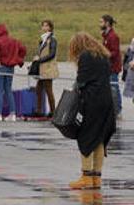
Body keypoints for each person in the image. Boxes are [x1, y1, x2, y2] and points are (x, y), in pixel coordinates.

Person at [68, 33, 116, 189]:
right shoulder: (103, 55)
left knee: (86, 137)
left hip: (91, 101)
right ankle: (96, 177)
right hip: (106, 100)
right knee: (100, 138)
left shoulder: (85, 57)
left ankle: (86, 176)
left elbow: (81, 82)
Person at [0, 24, 25, 122]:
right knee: (8, 90)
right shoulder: (14, 41)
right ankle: (12, 114)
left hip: (0, 67)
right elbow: (23, 49)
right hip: (10, 67)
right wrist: (18, 59)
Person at [33, 20, 58, 116]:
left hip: (48, 69)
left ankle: (53, 111)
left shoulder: (52, 39)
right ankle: (39, 110)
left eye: (46, 26)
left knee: (48, 90)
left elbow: (52, 54)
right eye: (42, 25)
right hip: (42, 69)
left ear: (50, 27)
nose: (43, 27)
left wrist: (40, 60)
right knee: (38, 89)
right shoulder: (42, 40)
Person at [99, 15, 122, 117]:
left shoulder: (113, 36)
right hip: (107, 67)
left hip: (113, 67)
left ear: (107, 23)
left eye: (101, 22)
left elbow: (115, 52)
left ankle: (117, 110)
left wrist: (105, 54)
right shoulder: (106, 35)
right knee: (110, 88)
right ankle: (112, 109)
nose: (100, 24)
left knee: (114, 88)